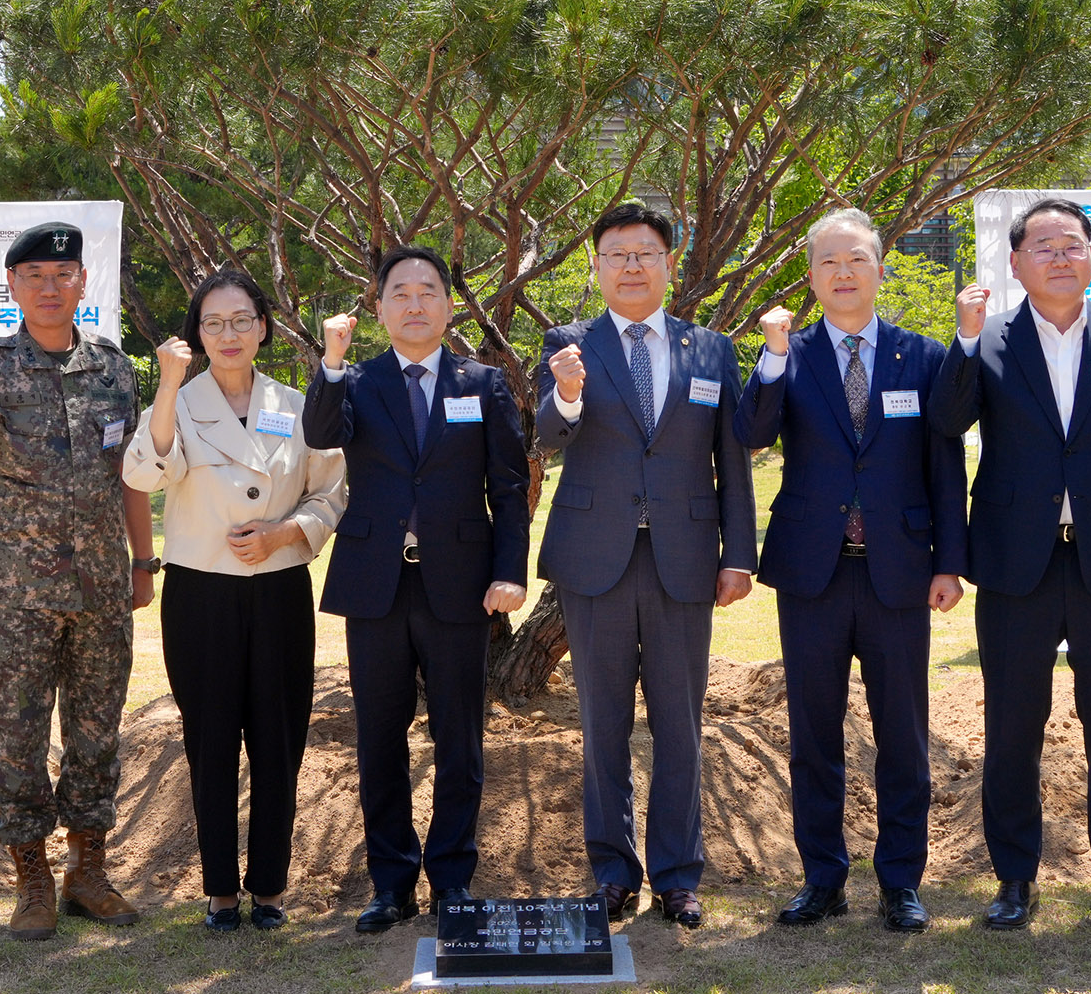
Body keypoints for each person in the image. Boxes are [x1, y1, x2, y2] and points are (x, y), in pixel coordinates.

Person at [929, 196, 1091, 936]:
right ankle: (1014, 878)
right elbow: (946, 423)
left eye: (1072, 244)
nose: (1060, 257)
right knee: (1013, 724)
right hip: (1016, 564)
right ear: (1015, 263)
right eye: (1043, 247)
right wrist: (966, 341)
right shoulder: (993, 339)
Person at [0, 220, 157, 942]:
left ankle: (87, 871)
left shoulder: (117, 370)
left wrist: (142, 563)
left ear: (83, 282)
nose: (50, 288)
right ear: (14, 288)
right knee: (19, 738)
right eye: (34, 277)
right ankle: (32, 880)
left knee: (95, 735)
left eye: (63, 276)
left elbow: (133, 476)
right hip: (17, 592)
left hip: (99, 589)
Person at [741, 208, 968, 934]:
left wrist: (951, 564)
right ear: (810, 277)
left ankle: (901, 881)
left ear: (879, 269)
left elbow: (944, 464)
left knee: (903, 734)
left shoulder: (920, 355)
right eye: (829, 262)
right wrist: (771, 354)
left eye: (857, 260)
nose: (843, 273)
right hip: (814, 574)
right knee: (814, 736)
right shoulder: (791, 354)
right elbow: (752, 433)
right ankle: (823, 879)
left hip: (900, 572)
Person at [534, 203, 758, 929]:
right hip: (594, 558)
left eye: (645, 253)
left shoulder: (710, 349)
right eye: (616, 254)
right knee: (602, 722)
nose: (632, 265)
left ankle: (678, 874)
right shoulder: (569, 344)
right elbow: (546, 436)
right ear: (596, 268)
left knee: (679, 723)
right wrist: (566, 394)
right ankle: (611, 871)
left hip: (684, 559)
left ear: (669, 264)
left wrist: (739, 556)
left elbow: (732, 459)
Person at [302, 246, 529, 933]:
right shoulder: (358, 381)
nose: (414, 303)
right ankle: (391, 883)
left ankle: (452, 879)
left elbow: (510, 488)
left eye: (428, 291)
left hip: (460, 585)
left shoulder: (482, 383)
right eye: (399, 292)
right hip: (376, 583)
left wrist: (510, 570)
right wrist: (331, 362)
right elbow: (318, 435)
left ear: (449, 305)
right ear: (378, 308)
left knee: (461, 737)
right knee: (379, 738)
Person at [122, 268, 347, 933]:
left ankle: (271, 885)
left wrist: (286, 533)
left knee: (279, 739)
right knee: (210, 739)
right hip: (201, 595)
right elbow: (143, 472)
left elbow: (331, 489)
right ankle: (220, 887)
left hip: (278, 588)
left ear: (263, 327)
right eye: (213, 323)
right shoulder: (178, 403)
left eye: (241, 320)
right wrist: (165, 384)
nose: (228, 333)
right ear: (195, 334)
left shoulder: (296, 402)